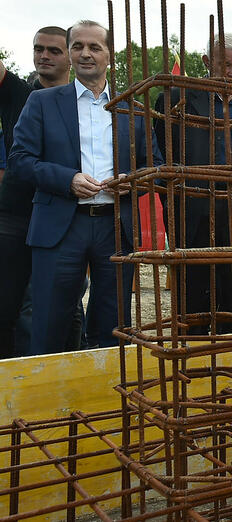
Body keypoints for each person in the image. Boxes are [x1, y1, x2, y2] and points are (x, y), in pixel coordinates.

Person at [9, 21, 161, 353]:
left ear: (110, 56)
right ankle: (48, 398)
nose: (85, 53)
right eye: (77, 46)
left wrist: (131, 183)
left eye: (94, 47)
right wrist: (68, 179)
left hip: (115, 227)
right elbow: (20, 160)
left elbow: (157, 169)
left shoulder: (134, 109)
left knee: (111, 324)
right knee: (48, 322)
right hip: (61, 226)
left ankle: (104, 397)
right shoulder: (43, 103)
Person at [153, 33, 232, 332]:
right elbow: (162, 158)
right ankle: (197, 357)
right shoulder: (178, 98)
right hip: (197, 210)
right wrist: (178, 203)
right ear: (206, 62)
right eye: (225, 65)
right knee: (196, 294)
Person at [1, 29, 81, 357]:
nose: (43, 56)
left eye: (53, 51)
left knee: (65, 302)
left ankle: (67, 367)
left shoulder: (85, 104)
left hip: (64, 214)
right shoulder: (19, 93)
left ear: (71, 57)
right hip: (15, 214)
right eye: (38, 49)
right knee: (8, 300)